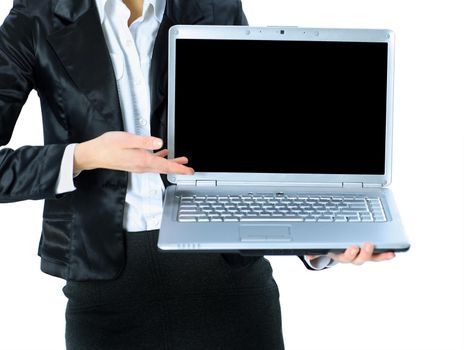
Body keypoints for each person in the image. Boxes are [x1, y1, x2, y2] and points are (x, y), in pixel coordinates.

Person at [0, 0, 396, 349]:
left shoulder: (214, 6)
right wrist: (84, 156)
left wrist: (317, 242)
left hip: (229, 285)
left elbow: (255, 150)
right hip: (104, 297)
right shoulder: (37, 15)